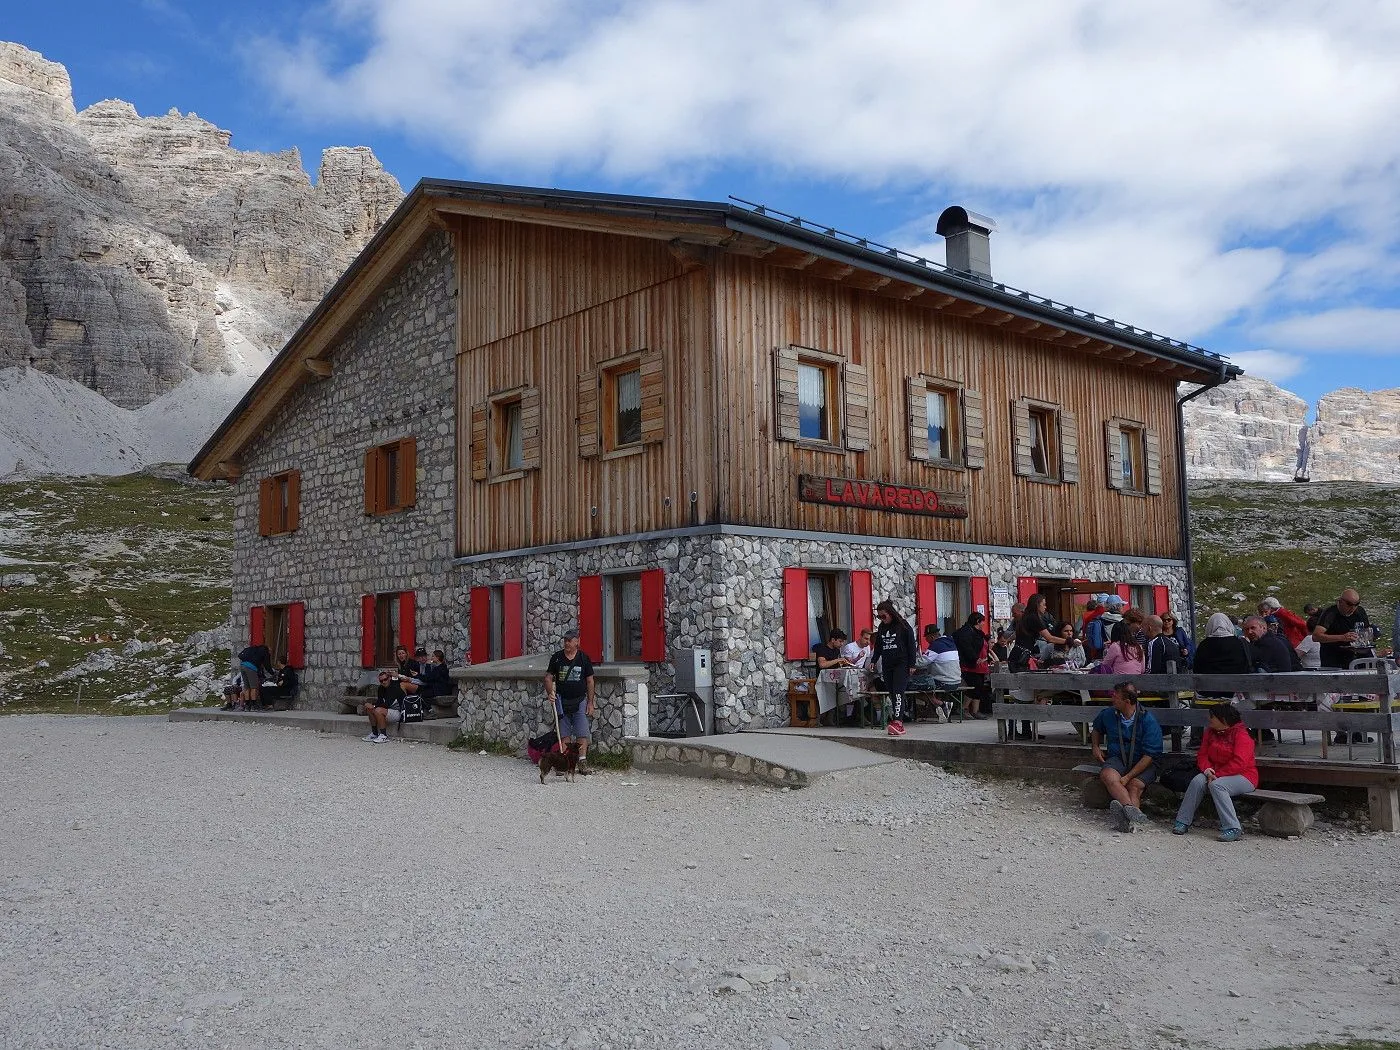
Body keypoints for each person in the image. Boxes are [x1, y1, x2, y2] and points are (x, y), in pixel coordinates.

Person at [1172, 704, 1257, 842]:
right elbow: (1202, 754)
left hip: (1244, 776)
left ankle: (1233, 827)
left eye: (1212, 716)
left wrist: (1217, 774)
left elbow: (1239, 762)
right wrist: (1207, 770)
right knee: (1197, 781)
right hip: (1214, 773)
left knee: (1217, 785)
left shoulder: (1242, 734)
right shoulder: (1210, 732)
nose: (1209, 719)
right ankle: (1182, 821)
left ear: (1223, 719)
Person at [1090, 682, 1163, 832]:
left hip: (1144, 761)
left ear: (1127, 702)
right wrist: (1095, 746)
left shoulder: (1148, 720)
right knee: (1108, 775)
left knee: (1134, 785)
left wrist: (1128, 777)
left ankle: (1126, 820)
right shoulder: (1108, 714)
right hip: (1118, 757)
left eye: (1116, 697)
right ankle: (1132, 813)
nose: (1112, 699)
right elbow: (1096, 728)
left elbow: (1149, 755)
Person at [545, 628, 596, 771]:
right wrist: (550, 693)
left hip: (579, 701)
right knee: (564, 733)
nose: (566, 643)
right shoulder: (556, 658)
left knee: (582, 732)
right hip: (561, 701)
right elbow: (548, 678)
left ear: (577, 642)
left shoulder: (584, 658)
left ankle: (582, 761)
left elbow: (590, 681)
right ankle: (565, 762)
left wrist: (590, 702)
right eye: (565, 640)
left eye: (569, 640)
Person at [872, 600, 918, 737]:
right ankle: (897, 719)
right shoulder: (882, 627)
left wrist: (912, 664)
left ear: (891, 613)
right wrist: (874, 660)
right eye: (879, 616)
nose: (882, 619)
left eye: (883, 616)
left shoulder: (903, 625)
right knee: (892, 693)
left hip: (901, 663)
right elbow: (878, 645)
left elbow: (911, 644)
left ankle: (898, 722)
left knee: (898, 692)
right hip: (887, 664)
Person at [1312, 589, 1375, 669]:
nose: (1352, 608)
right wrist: (1342, 637)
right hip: (1334, 658)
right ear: (1340, 601)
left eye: (1356, 604)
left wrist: (1366, 640)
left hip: (1358, 657)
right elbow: (1316, 636)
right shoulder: (1330, 613)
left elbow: (1367, 631)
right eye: (1349, 604)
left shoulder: (1360, 611)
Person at [952, 612, 991, 719]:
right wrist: (975, 658)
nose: (983, 624)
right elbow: (966, 648)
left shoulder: (978, 633)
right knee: (974, 687)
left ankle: (975, 711)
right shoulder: (966, 632)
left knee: (979, 688)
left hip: (980, 665)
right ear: (977, 621)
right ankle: (964, 708)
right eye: (982, 622)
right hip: (971, 666)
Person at [1017, 594, 1071, 663]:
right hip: (1022, 655)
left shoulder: (1026, 616)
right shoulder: (1034, 618)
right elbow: (1049, 638)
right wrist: (1068, 641)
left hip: (1019, 652)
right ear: (1037, 605)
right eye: (1044, 604)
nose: (1045, 607)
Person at [363, 670, 404, 742]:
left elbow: (388, 704)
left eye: (385, 679)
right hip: (388, 710)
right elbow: (380, 702)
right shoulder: (381, 688)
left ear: (389, 678)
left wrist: (374, 706)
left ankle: (383, 735)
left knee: (378, 710)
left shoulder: (394, 687)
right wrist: (371, 706)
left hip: (399, 712)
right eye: (381, 681)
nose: (384, 682)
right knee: (369, 709)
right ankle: (374, 733)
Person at [234, 640, 273, 711]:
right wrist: (272, 673)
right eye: (270, 652)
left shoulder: (253, 649)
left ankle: (247, 706)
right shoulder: (265, 652)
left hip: (243, 666)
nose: (270, 653)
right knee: (254, 687)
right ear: (268, 650)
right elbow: (267, 665)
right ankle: (253, 705)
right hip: (251, 668)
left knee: (247, 687)